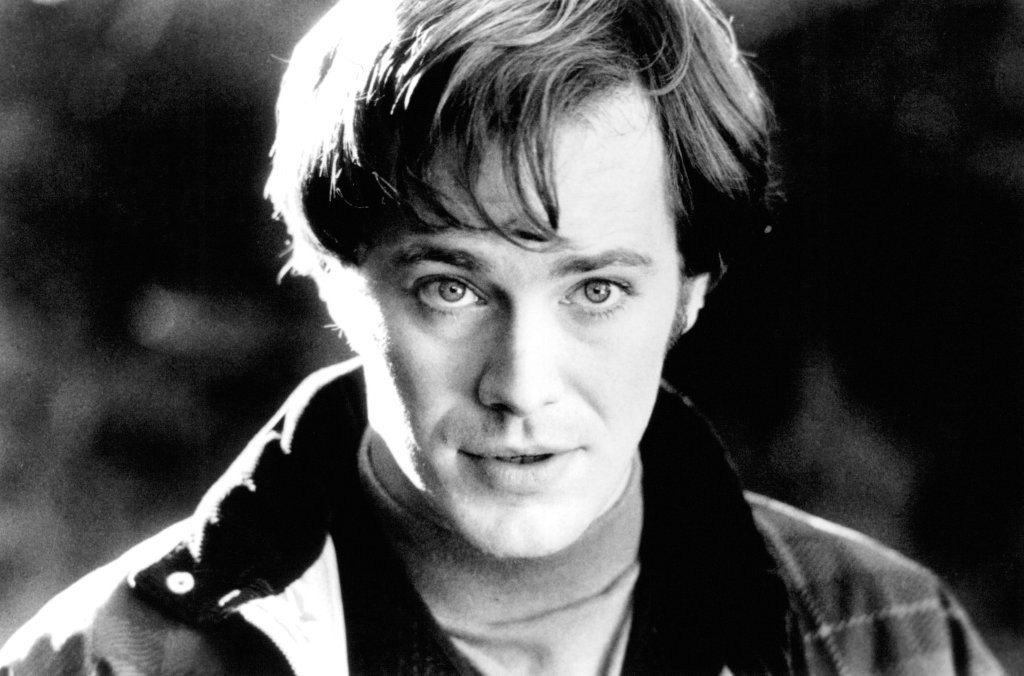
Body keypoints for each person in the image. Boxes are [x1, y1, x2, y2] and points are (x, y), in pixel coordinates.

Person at [0, 0, 1005, 673]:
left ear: (691, 291)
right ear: (338, 280)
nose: (522, 385)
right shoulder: (111, 662)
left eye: (597, 290)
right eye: (451, 288)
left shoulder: (889, 638)